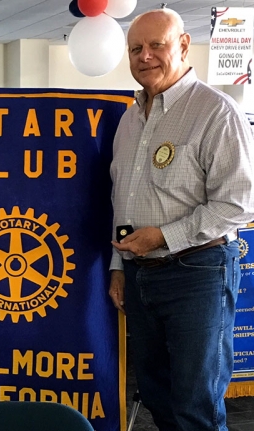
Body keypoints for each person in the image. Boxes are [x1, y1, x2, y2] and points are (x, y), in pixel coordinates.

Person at [108, 8, 254, 431]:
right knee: (156, 394)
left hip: (199, 273)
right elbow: (122, 200)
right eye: (136, 48)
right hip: (139, 278)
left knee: (196, 402)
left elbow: (240, 203)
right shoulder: (129, 119)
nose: (145, 56)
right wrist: (119, 267)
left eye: (157, 45)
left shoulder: (217, 112)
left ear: (184, 45)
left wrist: (163, 237)